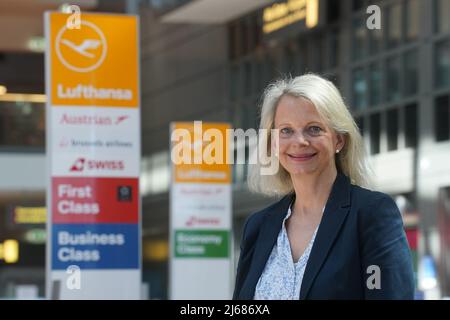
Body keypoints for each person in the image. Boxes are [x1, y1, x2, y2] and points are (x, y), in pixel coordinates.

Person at [233, 74, 415, 300]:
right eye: (286, 130)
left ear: (339, 140)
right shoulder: (258, 227)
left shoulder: (371, 215)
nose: (299, 141)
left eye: (314, 128)